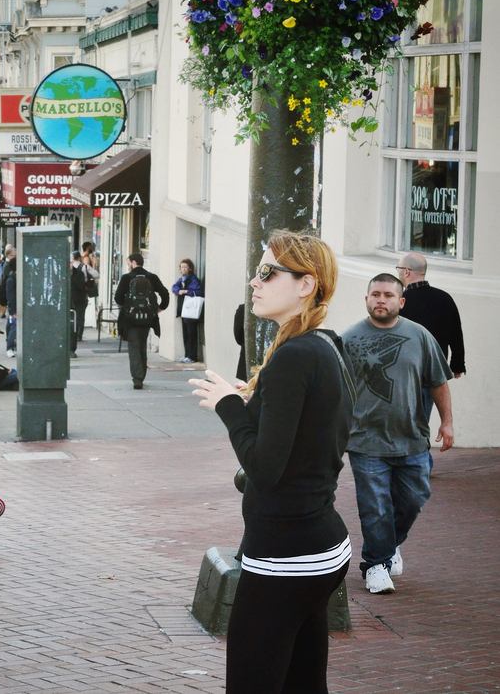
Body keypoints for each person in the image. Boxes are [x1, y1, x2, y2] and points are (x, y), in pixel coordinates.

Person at [189, 231, 353, 693]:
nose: (254, 282)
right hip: (322, 547)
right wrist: (255, 400)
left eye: (267, 272)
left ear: (306, 285)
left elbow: (265, 467)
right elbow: (317, 434)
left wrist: (230, 406)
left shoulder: (295, 356)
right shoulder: (325, 345)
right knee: (303, 683)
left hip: (287, 554)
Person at [341, 273, 454, 595]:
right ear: (366, 299)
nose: (381, 299)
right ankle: (375, 565)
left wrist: (447, 422)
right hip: (365, 440)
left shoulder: (419, 336)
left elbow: (438, 382)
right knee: (375, 505)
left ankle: (388, 544)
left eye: (388, 295)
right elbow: (338, 391)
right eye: (375, 294)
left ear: (400, 301)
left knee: (414, 499)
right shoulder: (349, 339)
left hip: (412, 438)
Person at [395, 252, 466, 419]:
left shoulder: (401, 300)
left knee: (404, 420)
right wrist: (457, 364)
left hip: (405, 371)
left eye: (398, 268)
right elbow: (456, 333)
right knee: (422, 420)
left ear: (406, 271)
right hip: (434, 371)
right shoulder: (444, 298)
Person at [114, 253, 169, 389]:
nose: (128, 266)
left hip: (130, 319)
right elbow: (165, 293)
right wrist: (160, 308)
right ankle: (141, 375)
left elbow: (118, 298)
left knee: (134, 347)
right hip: (147, 319)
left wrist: (127, 307)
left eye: (128, 263)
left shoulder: (127, 277)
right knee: (142, 345)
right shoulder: (152, 277)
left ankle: (137, 378)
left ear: (133, 263)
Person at [171, 258, 204, 363]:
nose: (183, 269)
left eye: (185, 267)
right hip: (184, 310)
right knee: (185, 334)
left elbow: (198, 291)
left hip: (191, 311)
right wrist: (179, 290)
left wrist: (186, 291)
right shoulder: (181, 279)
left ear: (190, 268)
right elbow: (174, 288)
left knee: (191, 334)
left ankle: (192, 356)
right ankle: (187, 355)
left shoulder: (193, 279)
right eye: (181, 267)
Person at [69, 252, 89, 358]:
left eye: (70, 263)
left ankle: (72, 349)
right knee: (68, 326)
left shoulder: (79, 273)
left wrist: (72, 276)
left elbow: (81, 286)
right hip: (67, 303)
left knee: (75, 325)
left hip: (78, 302)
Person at [2, 255, 18, 358]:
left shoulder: (13, 277)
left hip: (13, 307)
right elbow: (11, 296)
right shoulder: (12, 279)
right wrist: (13, 311)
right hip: (14, 308)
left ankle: (10, 345)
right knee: (13, 327)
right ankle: (9, 347)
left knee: (11, 326)